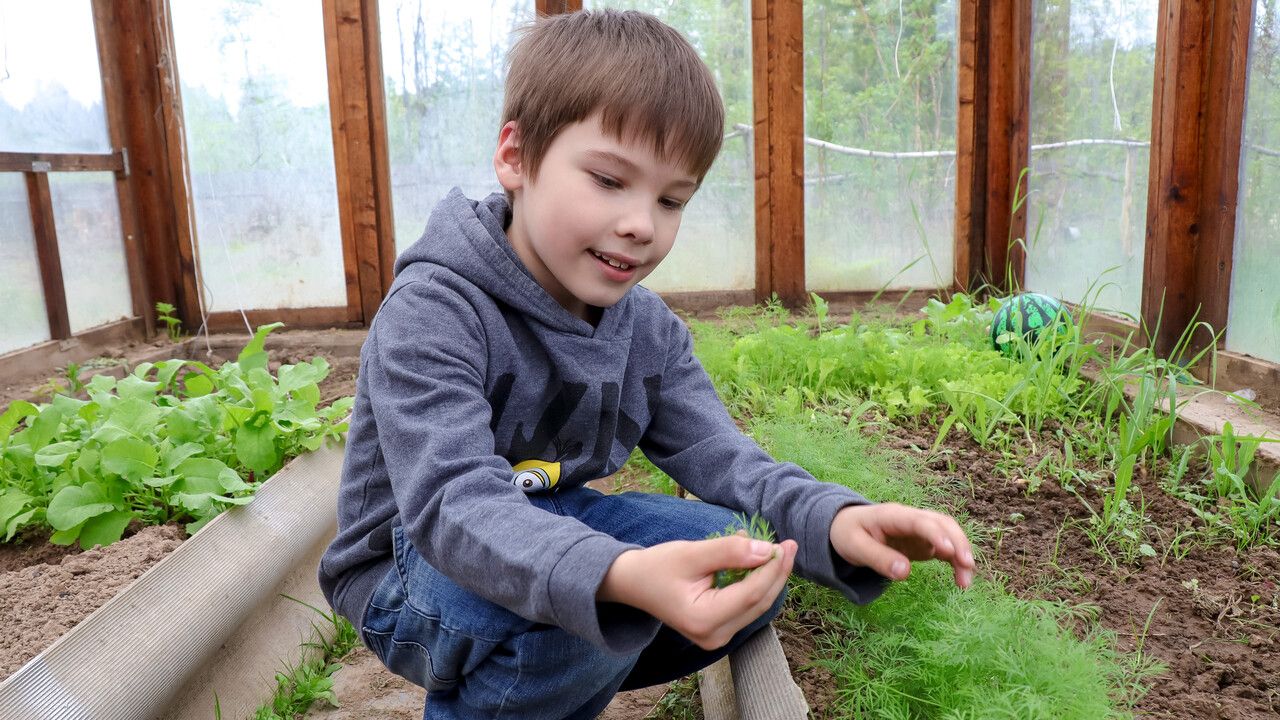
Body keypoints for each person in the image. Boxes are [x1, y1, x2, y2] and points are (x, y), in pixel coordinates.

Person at [318, 9, 974, 719]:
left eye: (671, 200)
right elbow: (451, 503)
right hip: (409, 567)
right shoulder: (437, 307)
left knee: (740, 559)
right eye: (608, 180)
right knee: (582, 612)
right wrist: (614, 576)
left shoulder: (648, 331)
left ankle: (554, 673)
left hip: (546, 522)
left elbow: (726, 458)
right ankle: (543, 671)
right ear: (516, 156)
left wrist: (833, 518)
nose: (642, 224)